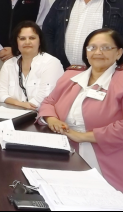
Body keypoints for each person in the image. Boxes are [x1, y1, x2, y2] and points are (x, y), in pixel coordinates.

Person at [37, 28, 123, 192]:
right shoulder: (71, 75)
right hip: (63, 146)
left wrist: (83, 136)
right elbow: (49, 102)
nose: (98, 52)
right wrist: (52, 119)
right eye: (92, 47)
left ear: (118, 53)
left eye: (106, 48)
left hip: (104, 153)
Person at [0, 21, 63, 110]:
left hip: (41, 116)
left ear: (40, 41)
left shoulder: (52, 63)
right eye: (22, 39)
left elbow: (45, 97)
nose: (27, 42)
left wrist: (22, 106)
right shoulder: (9, 64)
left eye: (32, 38)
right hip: (12, 114)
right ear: (16, 42)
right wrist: (20, 104)